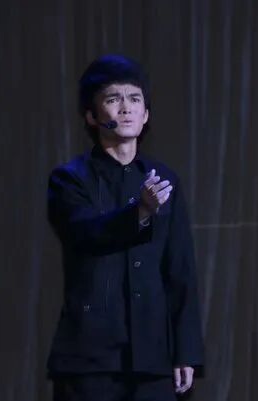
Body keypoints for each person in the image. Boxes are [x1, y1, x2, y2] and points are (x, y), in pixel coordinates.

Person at [46, 54, 205, 401]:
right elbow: (85, 233)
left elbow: (180, 270)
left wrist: (186, 351)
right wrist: (140, 211)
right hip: (90, 359)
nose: (126, 108)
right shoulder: (69, 179)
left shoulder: (164, 179)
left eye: (134, 99)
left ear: (146, 114)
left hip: (154, 359)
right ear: (91, 115)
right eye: (113, 99)